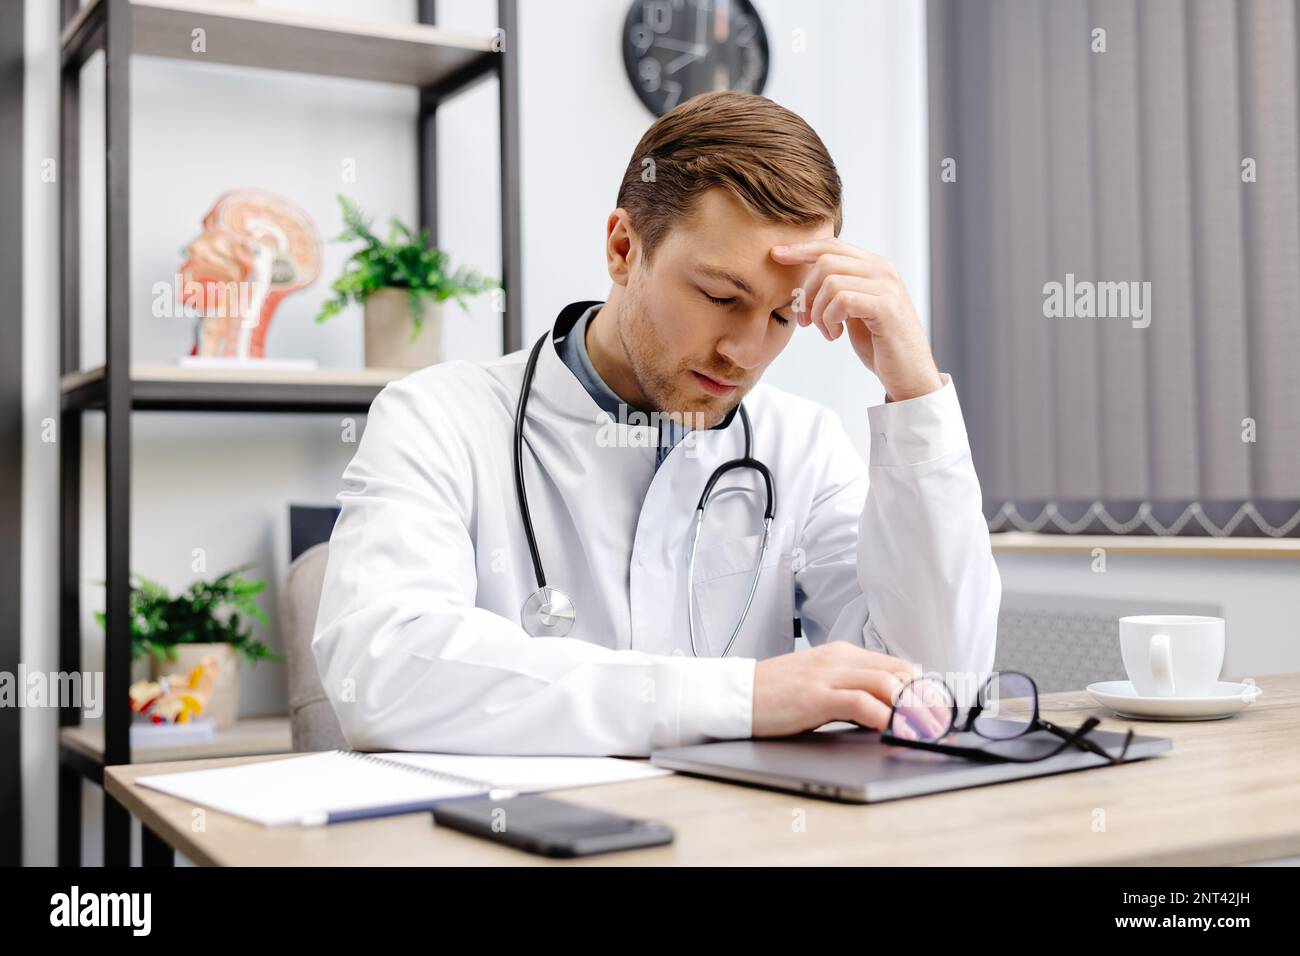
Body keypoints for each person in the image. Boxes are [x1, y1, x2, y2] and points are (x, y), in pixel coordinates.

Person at [311, 91, 1000, 756]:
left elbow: (937, 689)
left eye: (783, 315)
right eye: (720, 296)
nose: (745, 351)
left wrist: (913, 391)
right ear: (622, 249)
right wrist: (742, 697)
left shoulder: (804, 447)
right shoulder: (438, 419)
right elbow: (379, 670)